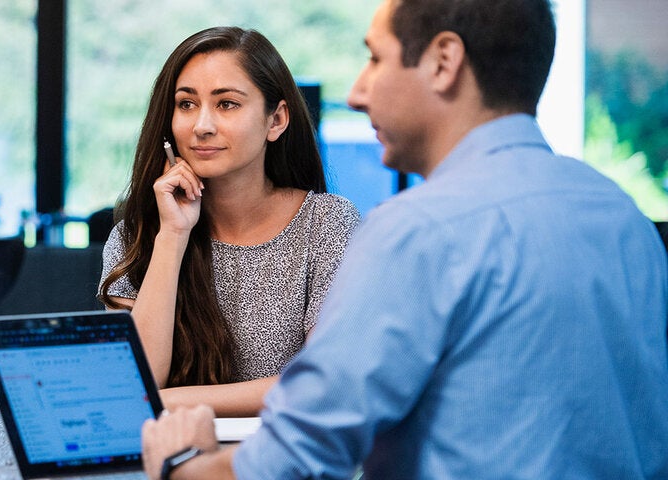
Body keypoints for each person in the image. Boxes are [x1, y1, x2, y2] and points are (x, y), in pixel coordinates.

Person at [140, 0, 668, 478]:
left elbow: (295, 456)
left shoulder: (417, 232)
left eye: (376, 59)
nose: (357, 93)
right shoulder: (622, 217)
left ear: (443, 62)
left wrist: (183, 463)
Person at [98, 26, 359, 417]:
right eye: (186, 104)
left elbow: (325, 382)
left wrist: (171, 401)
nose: (202, 125)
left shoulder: (327, 223)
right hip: (173, 452)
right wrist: (173, 234)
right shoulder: (136, 235)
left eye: (227, 104)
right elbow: (135, 383)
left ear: (276, 120)